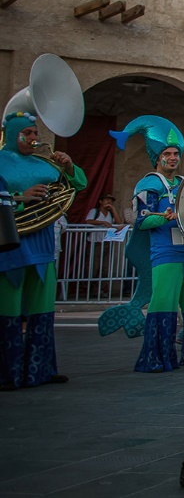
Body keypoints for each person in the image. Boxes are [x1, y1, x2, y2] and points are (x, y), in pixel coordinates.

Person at [113, 116, 184, 373]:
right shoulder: (150, 183)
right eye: (167, 153)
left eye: (176, 153)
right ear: (157, 156)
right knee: (163, 307)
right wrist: (161, 217)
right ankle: (157, 358)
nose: (173, 157)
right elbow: (138, 219)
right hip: (167, 254)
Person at [0, 111, 85, 389]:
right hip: (10, 243)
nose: (33, 138)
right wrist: (19, 198)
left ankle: (40, 369)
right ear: (13, 134)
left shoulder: (44, 162)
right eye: (27, 133)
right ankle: (7, 374)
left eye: (35, 133)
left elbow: (78, 185)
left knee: (42, 309)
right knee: (8, 309)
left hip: (43, 243)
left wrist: (68, 166)